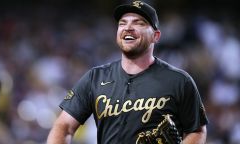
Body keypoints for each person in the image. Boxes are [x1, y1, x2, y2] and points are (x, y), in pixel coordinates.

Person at [47, 1, 208, 143]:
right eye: (122, 23)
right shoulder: (95, 78)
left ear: (156, 36)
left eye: (139, 23)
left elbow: (197, 131)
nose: (128, 27)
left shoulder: (179, 80)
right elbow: (64, 126)